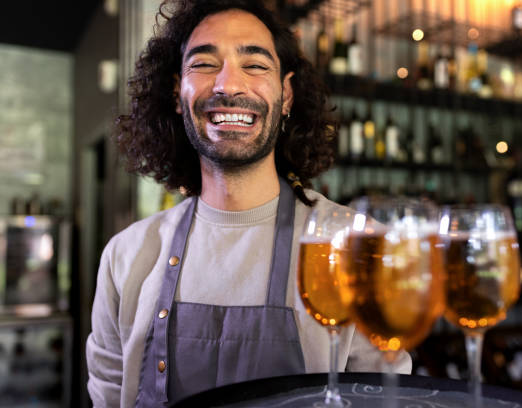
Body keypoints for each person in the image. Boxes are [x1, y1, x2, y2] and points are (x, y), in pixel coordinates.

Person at [86, 0, 411, 406]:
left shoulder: (356, 247)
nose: (228, 85)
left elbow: (384, 399)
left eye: (255, 65)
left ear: (286, 94)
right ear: (176, 92)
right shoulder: (125, 255)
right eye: (203, 64)